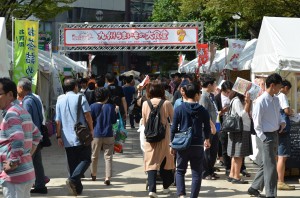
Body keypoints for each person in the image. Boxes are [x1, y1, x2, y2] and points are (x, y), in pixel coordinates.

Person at [0, 78, 42, 198]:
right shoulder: (21, 110)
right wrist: (26, 155)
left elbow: (17, 138)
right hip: (25, 172)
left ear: (10, 94)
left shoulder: (12, 113)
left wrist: (14, 161)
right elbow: (37, 134)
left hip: (15, 177)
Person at [171, 83, 211, 198]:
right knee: (196, 173)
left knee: (180, 171)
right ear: (197, 95)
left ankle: (181, 194)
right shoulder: (202, 110)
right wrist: (207, 139)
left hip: (182, 144)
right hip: (197, 144)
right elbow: (207, 127)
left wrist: (172, 145)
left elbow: (173, 128)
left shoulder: (179, 109)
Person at [248, 73, 285, 198]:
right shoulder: (260, 101)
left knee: (267, 164)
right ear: (273, 85)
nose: (280, 89)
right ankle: (271, 194)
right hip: (266, 136)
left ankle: (254, 187)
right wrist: (264, 138)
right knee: (271, 167)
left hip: (274, 134)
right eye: (279, 87)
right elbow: (256, 122)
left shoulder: (275, 99)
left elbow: (278, 115)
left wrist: (282, 122)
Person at [55, 78, 93, 196]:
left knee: (72, 163)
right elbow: (87, 115)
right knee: (86, 159)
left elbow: (58, 120)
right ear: (75, 87)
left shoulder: (59, 99)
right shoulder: (80, 97)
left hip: (66, 137)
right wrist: (91, 129)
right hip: (80, 135)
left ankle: (77, 188)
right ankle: (73, 180)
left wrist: (58, 136)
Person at [142, 81, 174, 198]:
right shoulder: (167, 103)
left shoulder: (145, 104)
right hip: (164, 136)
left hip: (150, 136)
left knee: (151, 162)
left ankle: (152, 189)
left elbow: (145, 122)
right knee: (164, 160)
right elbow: (173, 120)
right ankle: (166, 187)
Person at [17, 78, 48, 194]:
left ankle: (29, 185)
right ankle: (41, 185)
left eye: (17, 87)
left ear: (21, 88)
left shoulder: (27, 101)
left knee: (27, 162)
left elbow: (26, 120)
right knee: (37, 163)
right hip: (37, 135)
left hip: (31, 137)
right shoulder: (35, 98)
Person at [90, 87, 117, 184]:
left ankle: (93, 174)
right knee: (108, 157)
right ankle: (107, 178)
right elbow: (114, 121)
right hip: (108, 134)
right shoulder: (111, 107)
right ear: (107, 96)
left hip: (96, 134)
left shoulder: (92, 106)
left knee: (94, 155)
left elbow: (90, 120)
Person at [227, 92, 252, 184]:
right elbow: (242, 115)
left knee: (235, 154)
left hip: (237, 130)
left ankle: (232, 175)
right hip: (240, 130)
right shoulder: (237, 101)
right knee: (239, 155)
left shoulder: (235, 100)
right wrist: (248, 103)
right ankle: (236, 177)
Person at [199, 75, 219, 180]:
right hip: (207, 128)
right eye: (215, 84)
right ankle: (205, 172)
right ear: (210, 85)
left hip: (214, 126)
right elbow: (204, 114)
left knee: (213, 151)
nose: (216, 85)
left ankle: (210, 170)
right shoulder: (204, 97)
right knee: (206, 150)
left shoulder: (210, 96)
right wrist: (211, 126)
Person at [276, 80, 295, 190]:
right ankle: (281, 181)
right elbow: (287, 111)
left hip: (277, 129)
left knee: (278, 155)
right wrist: (292, 112)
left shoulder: (275, 96)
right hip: (283, 130)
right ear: (286, 87)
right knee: (282, 156)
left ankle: (277, 179)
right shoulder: (282, 95)